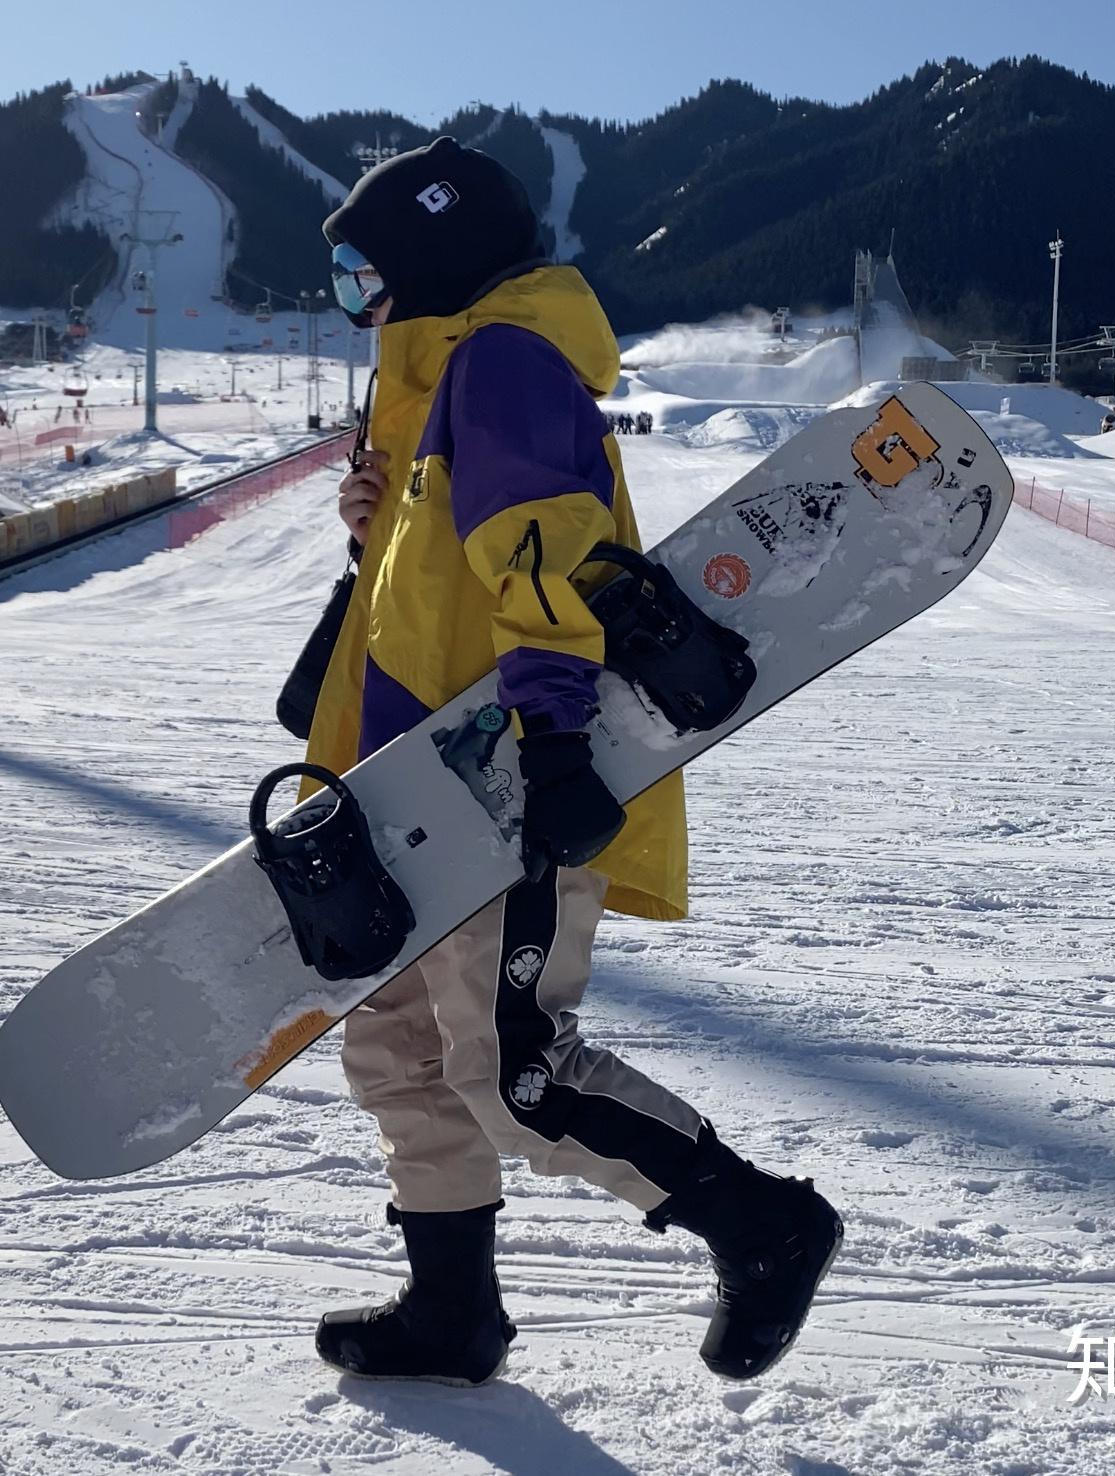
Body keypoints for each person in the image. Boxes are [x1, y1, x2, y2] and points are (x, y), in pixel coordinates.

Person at [304, 137, 839, 1388]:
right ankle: (450, 1314)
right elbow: (427, 593)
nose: (353, 302)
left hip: (500, 787)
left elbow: (544, 559)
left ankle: (760, 1224)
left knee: (514, 1074)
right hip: (407, 790)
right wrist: (372, 524)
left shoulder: (500, 364)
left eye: (357, 274)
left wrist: (549, 743)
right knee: (397, 1051)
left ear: (428, 257)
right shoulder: (434, 389)